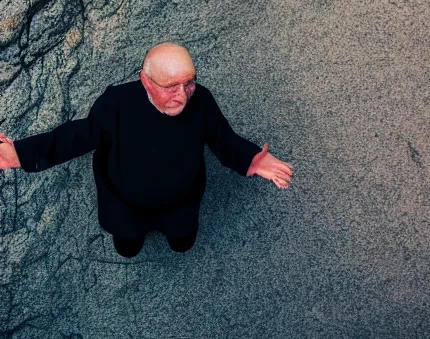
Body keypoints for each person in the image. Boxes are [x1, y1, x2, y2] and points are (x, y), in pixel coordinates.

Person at [0, 42, 293, 258]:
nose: (183, 95)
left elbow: (223, 139)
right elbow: (76, 136)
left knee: (182, 242)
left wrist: (251, 159)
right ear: (145, 81)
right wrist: (21, 155)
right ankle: (132, 238)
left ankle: (176, 235)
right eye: (171, 86)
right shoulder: (115, 104)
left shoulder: (200, 99)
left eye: (188, 83)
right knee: (127, 246)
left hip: (180, 202)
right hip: (126, 204)